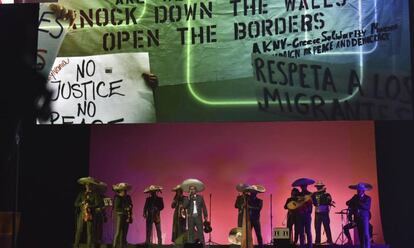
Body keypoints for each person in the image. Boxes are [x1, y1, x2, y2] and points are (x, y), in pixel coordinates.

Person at [73, 177, 100, 248]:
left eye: (89, 185)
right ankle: (76, 246)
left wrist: (90, 205)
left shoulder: (95, 194)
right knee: (79, 230)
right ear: (85, 186)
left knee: (89, 232)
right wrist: (81, 203)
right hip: (82, 214)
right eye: (86, 185)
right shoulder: (81, 193)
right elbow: (75, 203)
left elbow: (97, 204)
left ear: (92, 186)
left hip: (90, 214)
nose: (88, 186)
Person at [346, 183, 372, 248]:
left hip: (364, 218)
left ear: (363, 191)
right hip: (357, 218)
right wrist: (355, 200)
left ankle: (368, 247)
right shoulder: (355, 197)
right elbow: (347, 203)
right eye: (357, 190)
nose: (358, 192)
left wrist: (357, 201)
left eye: (359, 190)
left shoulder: (367, 198)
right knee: (360, 234)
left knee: (366, 234)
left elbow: (366, 207)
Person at [182, 180, 208, 246]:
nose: (192, 190)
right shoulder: (186, 198)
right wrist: (188, 198)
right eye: (190, 189)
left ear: (196, 190)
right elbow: (184, 206)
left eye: (193, 189)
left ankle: (203, 245)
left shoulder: (200, 197)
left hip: (198, 217)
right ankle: (191, 245)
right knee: (190, 233)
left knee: (200, 232)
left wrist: (205, 216)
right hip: (190, 217)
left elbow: (204, 207)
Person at [292, 178, 314, 248]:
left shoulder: (311, 194)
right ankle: (302, 246)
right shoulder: (298, 194)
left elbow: (315, 203)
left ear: (306, 186)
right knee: (301, 233)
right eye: (301, 186)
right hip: (299, 215)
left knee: (308, 231)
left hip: (307, 215)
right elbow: (295, 204)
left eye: (303, 186)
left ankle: (310, 246)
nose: (302, 187)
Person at [112, 183, 133, 248]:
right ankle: (114, 246)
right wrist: (125, 208)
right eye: (124, 190)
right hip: (120, 216)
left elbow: (131, 204)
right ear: (120, 190)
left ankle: (122, 246)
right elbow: (116, 208)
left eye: (125, 190)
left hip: (127, 216)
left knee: (124, 233)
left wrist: (130, 207)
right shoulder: (117, 197)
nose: (125, 191)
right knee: (118, 232)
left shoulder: (128, 197)